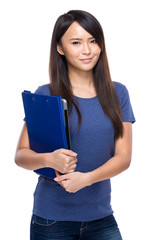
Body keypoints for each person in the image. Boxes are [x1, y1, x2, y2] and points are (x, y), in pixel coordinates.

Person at [15, 10, 135, 240]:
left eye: (93, 41)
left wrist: (86, 178)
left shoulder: (117, 93)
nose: (87, 50)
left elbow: (124, 157)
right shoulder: (46, 95)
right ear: (60, 48)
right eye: (76, 42)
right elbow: (21, 155)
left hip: (101, 218)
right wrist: (49, 159)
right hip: (51, 220)